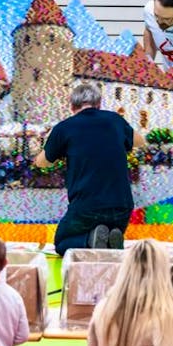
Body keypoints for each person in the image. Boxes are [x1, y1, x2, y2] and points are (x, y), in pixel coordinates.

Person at [35, 82, 146, 255]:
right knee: (108, 235)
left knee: (62, 242)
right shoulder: (114, 119)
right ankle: (110, 239)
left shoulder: (64, 127)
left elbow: (42, 162)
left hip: (87, 206)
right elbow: (140, 141)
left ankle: (89, 240)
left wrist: (51, 145)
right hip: (122, 205)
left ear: (72, 106)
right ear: (99, 104)